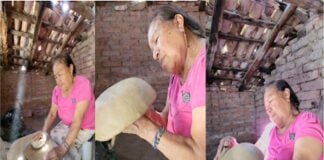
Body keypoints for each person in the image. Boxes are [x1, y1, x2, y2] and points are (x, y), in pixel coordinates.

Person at [123, 5, 206, 160]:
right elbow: (167, 118)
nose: (155, 55)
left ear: (178, 23)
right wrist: (146, 115)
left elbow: (199, 154)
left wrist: (143, 128)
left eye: (156, 40)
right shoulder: (176, 75)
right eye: (152, 49)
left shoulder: (203, 67)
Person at [214, 80, 323, 160]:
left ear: (286, 94)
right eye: (266, 108)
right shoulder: (270, 130)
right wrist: (233, 146)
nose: (268, 110)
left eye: (270, 102)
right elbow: (252, 153)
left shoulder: (305, 121)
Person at [34, 53, 95, 160]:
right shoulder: (56, 90)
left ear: (70, 69)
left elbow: (77, 121)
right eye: (55, 76)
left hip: (84, 126)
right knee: (53, 135)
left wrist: (63, 149)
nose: (58, 80)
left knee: (66, 152)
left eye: (60, 74)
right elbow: (52, 113)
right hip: (68, 123)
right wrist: (43, 131)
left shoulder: (83, 85)